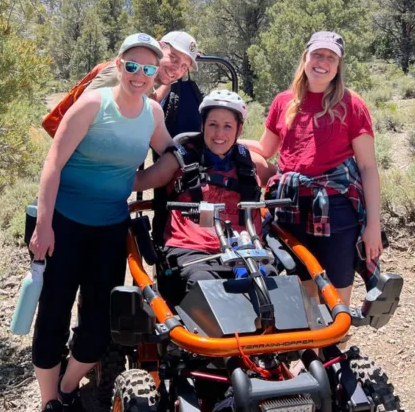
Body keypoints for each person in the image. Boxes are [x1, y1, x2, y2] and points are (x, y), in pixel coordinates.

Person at [28, 33, 174, 412]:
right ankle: (50, 401)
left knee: (98, 319)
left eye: (148, 69)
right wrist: (44, 225)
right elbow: (53, 164)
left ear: (156, 73)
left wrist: (138, 181)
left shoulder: (153, 114)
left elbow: (170, 154)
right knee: (54, 311)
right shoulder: (94, 104)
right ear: (118, 64)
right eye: (132, 66)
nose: (139, 75)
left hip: (111, 227)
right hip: (65, 222)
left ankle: (69, 384)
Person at [240, 31, 383, 307]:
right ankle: (313, 349)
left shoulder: (352, 105)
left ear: (338, 66)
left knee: (337, 294)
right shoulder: (284, 102)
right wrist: (225, 142)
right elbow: (265, 149)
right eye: (318, 54)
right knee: (305, 292)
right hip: (290, 207)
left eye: (331, 57)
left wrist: (373, 225)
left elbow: (367, 166)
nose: (323, 62)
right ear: (306, 57)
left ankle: (335, 349)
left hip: (336, 209)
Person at [133, 89, 271, 293]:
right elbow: (137, 181)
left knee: (273, 284)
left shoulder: (251, 162)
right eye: (213, 124)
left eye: (227, 126)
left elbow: (280, 179)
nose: (219, 133)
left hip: (245, 249)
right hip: (191, 251)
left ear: (239, 129)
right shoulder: (180, 159)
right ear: (203, 125)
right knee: (205, 287)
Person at [84, 30, 199, 107]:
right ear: (159, 48)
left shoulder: (146, 79)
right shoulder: (123, 72)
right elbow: (81, 109)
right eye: (173, 58)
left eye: (184, 67)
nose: (177, 69)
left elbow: (150, 103)